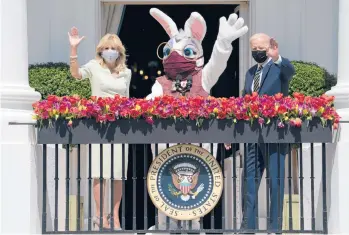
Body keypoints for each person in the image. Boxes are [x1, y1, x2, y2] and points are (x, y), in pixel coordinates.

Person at [145, 8, 248, 231]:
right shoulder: (161, 83)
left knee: (199, 179)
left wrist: (223, 43)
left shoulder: (204, 78)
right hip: (166, 141)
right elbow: (149, 101)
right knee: (163, 178)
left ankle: (194, 223)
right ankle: (164, 223)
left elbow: (217, 63)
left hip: (200, 143)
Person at [226, 33, 295, 233]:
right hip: (251, 135)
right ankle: (248, 227)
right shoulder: (249, 73)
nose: (257, 52)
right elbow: (242, 103)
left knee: (275, 181)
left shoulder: (279, 69)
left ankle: (275, 228)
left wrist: (277, 58)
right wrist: (233, 133)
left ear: (270, 47)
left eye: (261, 49)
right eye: (254, 49)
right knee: (248, 180)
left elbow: (290, 72)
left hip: (274, 134)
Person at [68, 27, 131, 230]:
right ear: (100, 50)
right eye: (106, 47)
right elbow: (76, 74)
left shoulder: (126, 72)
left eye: (113, 48)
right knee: (100, 171)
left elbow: (127, 99)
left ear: (119, 51)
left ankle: (114, 216)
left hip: (120, 126)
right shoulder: (95, 66)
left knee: (118, 174)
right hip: (99, 125)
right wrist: (73, 49)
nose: (110, 51)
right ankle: (99, 215)